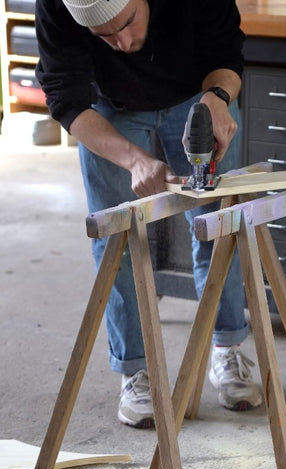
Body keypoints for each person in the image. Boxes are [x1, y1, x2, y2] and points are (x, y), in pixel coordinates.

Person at [35, 0, 262, 428]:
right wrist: (134, 160)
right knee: (116, 233)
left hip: (197, 94)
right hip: (109, 109)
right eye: (104, 37)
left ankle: (227, 350)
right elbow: (66, 98)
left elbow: (226, 53)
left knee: (220, 221)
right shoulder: (56, 5)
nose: (121, 44)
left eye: (126, 24)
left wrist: (218, 99)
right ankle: (134, 371)